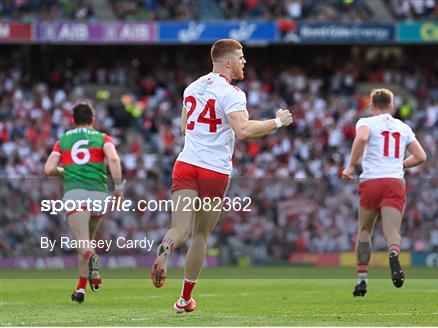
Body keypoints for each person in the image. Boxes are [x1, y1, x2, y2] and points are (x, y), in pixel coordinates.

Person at [150, 38, 293, 313]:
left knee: (179, 229)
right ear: (227, 61)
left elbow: (183, 127)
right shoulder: (233, 93)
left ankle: (166, 244)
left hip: (186, 163)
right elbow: (244, 130)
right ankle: (184, 300)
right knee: (201, 234)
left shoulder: (191, 87)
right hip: (213, 170)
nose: (244, 62)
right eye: (241, 58)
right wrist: (278, 122)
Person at [342, 88, 426, 297]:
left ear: (371, 106)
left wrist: (351, 166)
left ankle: (362, 280)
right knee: (392, 231)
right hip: (394, 181)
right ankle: (394, 253)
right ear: (392, 107)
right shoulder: (403, 127)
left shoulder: (366, 122)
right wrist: (401, 163)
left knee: (364, 231)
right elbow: (421, 156)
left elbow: (361, 138)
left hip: (371, 181)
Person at [44, 102, 123, 303]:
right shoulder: (102, 137)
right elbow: (113, 159)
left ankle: (92, 259)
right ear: (92, 120)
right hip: (98, 193)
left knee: (82, 242)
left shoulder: (63, 140)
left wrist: (65, 170)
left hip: (75, 192)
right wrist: (119, 188)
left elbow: (49, 169)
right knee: (88, 240)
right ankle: (81, 289)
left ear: (73, 120)